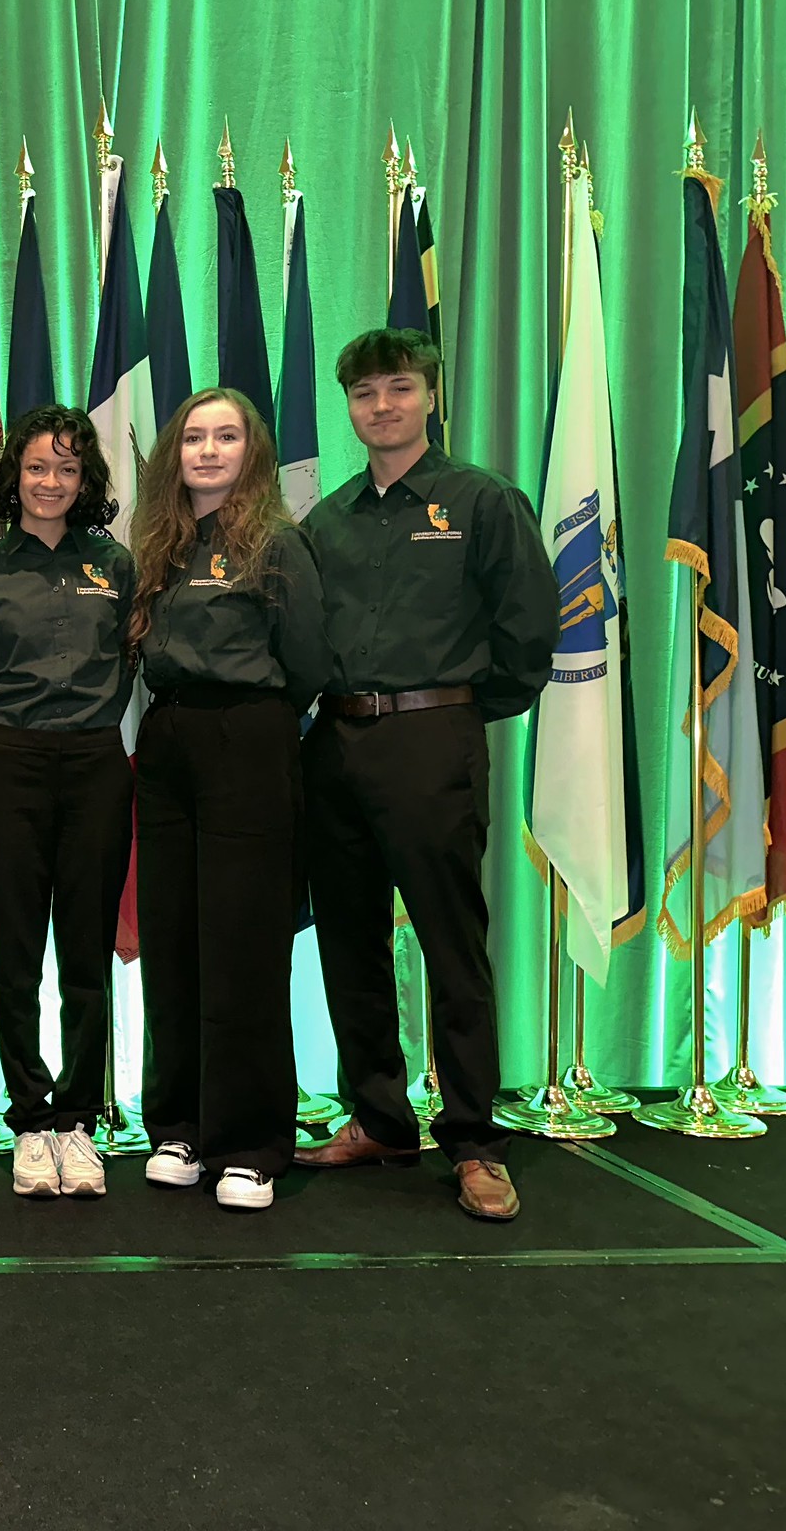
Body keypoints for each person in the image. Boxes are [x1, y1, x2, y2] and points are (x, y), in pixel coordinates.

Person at [295, 330, 557, 1221]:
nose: (382, 407)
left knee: (451, 943)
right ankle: (379, 1118)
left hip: (433, 739)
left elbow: (528, 635)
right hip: (335, 746)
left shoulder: (481, 502)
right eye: (365, 394)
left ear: (430, 397)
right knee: (349, 940)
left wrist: (454, 716)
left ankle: (475, 1140)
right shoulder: (325, 521)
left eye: (398, 389)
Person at [129, 389, 331, 1212]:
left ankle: (250, 1143)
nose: (208, 451)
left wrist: (259, 728)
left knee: (244, 945)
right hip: (170, 747)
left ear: (253, 451)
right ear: (174, 453)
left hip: (249, 743)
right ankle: (178, 1126)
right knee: (173, 940)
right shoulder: (159, 546)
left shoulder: (278, 544)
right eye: (194, 439)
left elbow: (310, 661)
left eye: (226, 437)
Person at [0, 405, 135, 1199]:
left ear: (84, 479)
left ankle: (78, 1122)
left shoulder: (117, 566)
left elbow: (125, 669)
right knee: (17, 952)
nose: (50, 481)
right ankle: (28, 1121)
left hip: (95, 763)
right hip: (12, 764)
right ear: (12, 477)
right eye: (35, 467)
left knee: (85, 956)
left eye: (66, 468)